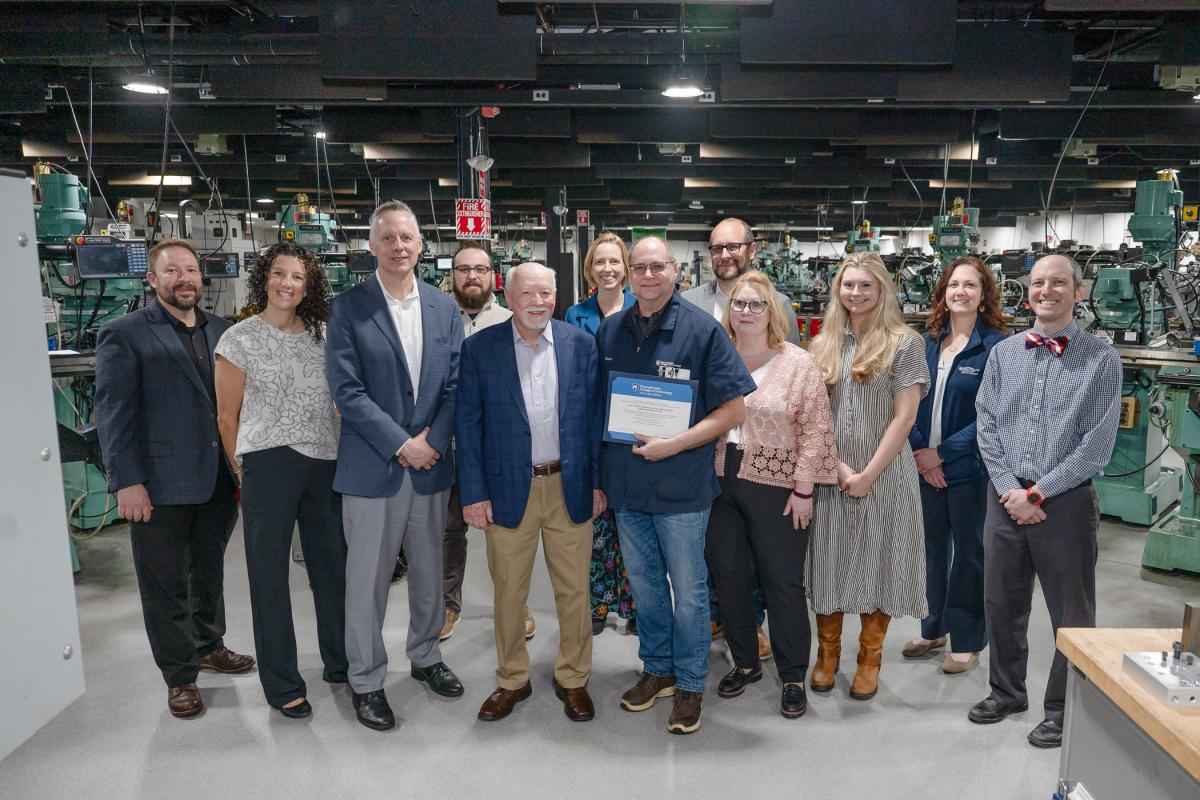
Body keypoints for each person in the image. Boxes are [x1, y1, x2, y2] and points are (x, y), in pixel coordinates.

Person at [597, 236, 756, 735]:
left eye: (656, 267)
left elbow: (733, 410)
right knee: (645, 587)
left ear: (674, 272)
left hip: (682, 487)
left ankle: (690, 683)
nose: (647, 276)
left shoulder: (703, 331)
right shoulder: (610, 331)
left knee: (688, 592)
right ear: (628, 272)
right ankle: (658, 669)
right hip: (628, 488)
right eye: (638, 267)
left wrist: (678, 442)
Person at [95, 238, 255, 718]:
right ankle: (180, 676)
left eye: (190, 270)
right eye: (172, 271)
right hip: (158, 484)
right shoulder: (124, 333)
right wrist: (127, 481)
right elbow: (113, 413)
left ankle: (209, 645)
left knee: (207, 573)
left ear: (201, 278)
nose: (183, 278)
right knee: (164, 583)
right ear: (152, 279)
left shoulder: (225, 332)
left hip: (217, 481)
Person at [969, 254, 1120, 749]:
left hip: (1066, 502)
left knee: (1071, 613)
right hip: (1005, 496)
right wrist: (1012, 490)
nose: (1047, 290)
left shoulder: (1101, 358)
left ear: (1079, 292)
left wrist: (1038, 492)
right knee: (1002, 603)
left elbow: (1097, 445)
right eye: (1038, 283)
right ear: (1027, 291)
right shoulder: (1004, 354)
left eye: (1059, 283)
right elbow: (986, 426)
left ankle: (1061, 707)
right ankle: (1007, 691)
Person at [325, 200, 466, 732]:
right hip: (373, 470)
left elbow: (455, 384)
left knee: (430, 572)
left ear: (421, 244)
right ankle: (366, 680)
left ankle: (426, 656)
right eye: (388, 238)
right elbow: (347, 390)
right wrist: (401, 443)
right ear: (372, 246)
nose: (399, 246)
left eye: (407, 237)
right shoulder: (349, 308)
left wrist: (433, 439)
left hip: (430, 465)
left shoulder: (442, 307)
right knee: (367, 581)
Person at [457, 262, 605, 722]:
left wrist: (598, 483)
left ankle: (574, 678)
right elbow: (468, 424)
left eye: (546, 293)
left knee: (574, 592)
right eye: (528, 294)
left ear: (556, 296)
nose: (538, 302)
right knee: (509, 592)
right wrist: (473, 493)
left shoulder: (581, 346)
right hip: (505, 489)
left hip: (570, 486)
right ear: (509, 293)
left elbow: (596, 420)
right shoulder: (481, 349)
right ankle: (512, 679)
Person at [213, 242, 345, 719]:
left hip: (324, 462)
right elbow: (227, 418)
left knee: (333, 571)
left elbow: (340, 399)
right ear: (263, 278)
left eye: (298, 277)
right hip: (267, 465)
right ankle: (283, 682)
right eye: (279, 274)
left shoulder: (325, 336)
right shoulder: (239, 340)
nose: (287, 284)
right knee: (269, 578)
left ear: (309, 287)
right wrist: (243, 471)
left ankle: (340, 662)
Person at [706, 272, 837, 719]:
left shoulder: (797, 363)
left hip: (778, 484)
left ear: (773, 311)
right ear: (730, 310)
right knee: (730, 576)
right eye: (739, 304)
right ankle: (744, 662)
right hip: (721, 480)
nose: (746, 312)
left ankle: (793, 674)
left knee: (782, 582)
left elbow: (817, 428)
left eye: (756, 304)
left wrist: (804, 488)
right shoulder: (716, 356)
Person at [806, 251, 929, 702]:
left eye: (865, 286)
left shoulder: (905, 343)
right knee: (828, 561)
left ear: (882, 291)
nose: (855, 293)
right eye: (848, 284)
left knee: (881, 562)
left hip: (886, 474)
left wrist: (868, 473)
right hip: (832, 472)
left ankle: (870, 658)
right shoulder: (823, 343)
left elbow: (905, 418)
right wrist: (837, 467)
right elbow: (815, 414)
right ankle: (827, 654)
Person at [683, 217, 798, 658]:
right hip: (704, 445)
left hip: (760, 450)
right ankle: (719, 614)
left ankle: (752, 623)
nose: (725, 255)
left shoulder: (779, 302)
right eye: (717, 248)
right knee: (714, 539)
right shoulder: (690, 302)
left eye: (734, 247)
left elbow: (788, 366)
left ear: (753, 250)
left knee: (755, 544)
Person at [903, 256, 1008, 676]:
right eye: (954, 285)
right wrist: (918, 453)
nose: (960, 292)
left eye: (970, 285)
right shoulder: (926, 341)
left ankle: (966, 639)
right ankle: (933, 628)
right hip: (922, 469)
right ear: (943, 293)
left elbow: (995, 416)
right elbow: (903, 402)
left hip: (969, 471)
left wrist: (941, 454)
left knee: (969, 555)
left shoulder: (997, 346)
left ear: (984, 296)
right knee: (929, 552)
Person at [440, 242, 536, 644]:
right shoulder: (438, 319)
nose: (472, 276)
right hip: (448, 445)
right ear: (453, 275)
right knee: (448, 531)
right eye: (464, 269)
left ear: (493, 275)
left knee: (506, 531)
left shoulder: (513, 319)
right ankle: (448, 604)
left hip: (498, 448)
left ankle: (516, 605)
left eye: (480, 268)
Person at [563, 232, 637, 637]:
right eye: (599, 262)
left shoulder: (642, 308)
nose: (607, 269)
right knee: (595, 520)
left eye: (614, 261)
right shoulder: (577, 314)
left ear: (625, 267)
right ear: (589, 269)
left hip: (635, 429)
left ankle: (636, 604)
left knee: (634, 521)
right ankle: (598, 602)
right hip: (593, 427)